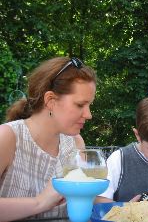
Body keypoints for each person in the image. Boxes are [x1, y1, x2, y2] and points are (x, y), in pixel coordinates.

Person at [0, 57, 97, 221]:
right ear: (50, 101)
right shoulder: (7, 137)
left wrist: (120, 210)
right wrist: (39, 203)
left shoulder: (76, 143)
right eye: (80, 105)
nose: (88, 115)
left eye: (90, 105)